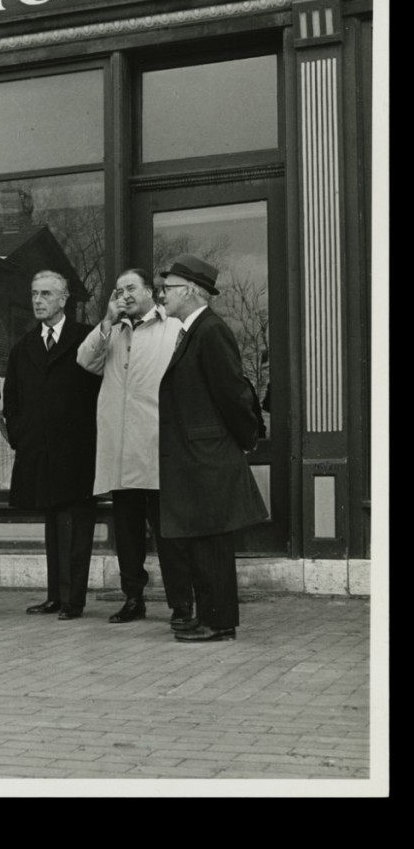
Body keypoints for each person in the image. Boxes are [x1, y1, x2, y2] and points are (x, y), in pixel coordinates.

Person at [157, 254, 269, 643]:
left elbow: (235, 394)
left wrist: (242, 440)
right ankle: (209, 616)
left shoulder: (210, 330)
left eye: (168, 288)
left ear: (189, 291)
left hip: (208, 458)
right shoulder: (194, 331)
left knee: (211, 542)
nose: (162, 294)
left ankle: (218, 622)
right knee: (201, 540)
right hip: (197, 458)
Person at [77, 268, 195, 629]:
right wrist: (106, 322)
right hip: (121, 447)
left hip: (157, 446)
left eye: (131, 288)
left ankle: (181, 603)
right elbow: (85, 360)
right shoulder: (112, 331)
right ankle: (133, 598)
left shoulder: (171, 327)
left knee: (169, 533)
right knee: (127, 534)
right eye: (118, 290)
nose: (124, 295)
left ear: (150, 291)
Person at [3, 271, 101, 620]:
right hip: (39, 452)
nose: (38, 300)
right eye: (34, 294)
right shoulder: (23, 346)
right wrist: (21, 436)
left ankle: (73, 600)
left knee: (76, 526)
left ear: (64, 300)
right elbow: (10, 401)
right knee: (53, 526)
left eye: (46, 294)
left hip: (77, 452)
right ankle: (55, 596)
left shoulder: (86, 338)